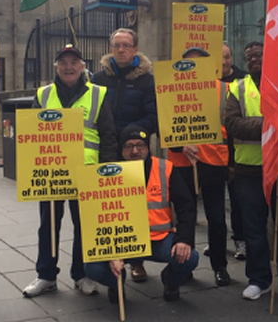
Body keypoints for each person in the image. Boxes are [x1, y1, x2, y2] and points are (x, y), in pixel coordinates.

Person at [22, 44, 119, 298]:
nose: (69, 67)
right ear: (56, 67)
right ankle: (46, 276)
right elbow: (32, 134)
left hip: (86, 172)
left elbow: (108, 136)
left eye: (74, 62)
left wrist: (103, 172)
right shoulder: (43, 95)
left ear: (82, 66)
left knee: (84, 226)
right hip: (52, 172)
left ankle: (81, 275)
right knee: (48, 225)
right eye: (63, 62)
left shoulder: (98, 94)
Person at [224, 41, 278, 302]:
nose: (253, 60)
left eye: (258, 55)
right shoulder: (237, 88)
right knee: (254, 230)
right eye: (248, 57)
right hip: (250, 172)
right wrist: (272, 122)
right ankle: (258, 279)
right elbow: (232, 123)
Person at [84, 125, 199, 303]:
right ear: (121, 150)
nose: (135, 150)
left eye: (140, 145)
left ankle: (170, 280)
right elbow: (96, 218)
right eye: (129, 146)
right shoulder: (107, 173)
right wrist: (110, 253)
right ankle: (116, 282)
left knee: (190, 258)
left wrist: (184, 239)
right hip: (123, 243)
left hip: (158, 240)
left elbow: (186, 207)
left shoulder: (165, 169)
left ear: (148, 148)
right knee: (93, 268)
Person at [91, 27, 158, 282]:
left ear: (135, 49)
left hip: (135, 151)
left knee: (137, 207)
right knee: (111, 208)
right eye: (117, 45)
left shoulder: (147, 80)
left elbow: (153, 115)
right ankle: (112, 258)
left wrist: (131, 135)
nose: (121, 50)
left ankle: (137, 262)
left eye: (126, 45)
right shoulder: (97, 78)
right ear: (110, 48)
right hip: (107, 151)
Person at [167, 47, 231, 287]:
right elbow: (165, 126)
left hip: (214, 161)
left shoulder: (224, 89)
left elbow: (231, 127)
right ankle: (186, 264)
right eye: (189, 64)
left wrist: (231, 162)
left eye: (199, 64)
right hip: (183, 164)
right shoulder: (173, 90)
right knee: (186, 215)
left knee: (216, 217)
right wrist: (180, 145)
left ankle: (219, 266)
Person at [220, 43, 247, 261]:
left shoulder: (244, 81)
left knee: (239, 201)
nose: (223, 62)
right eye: (220, 58)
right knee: (216, 203)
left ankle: (241, 240)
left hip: (238, 151)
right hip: (212, 152)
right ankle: (217, 241)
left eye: (227, 57)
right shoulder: (205, 82)